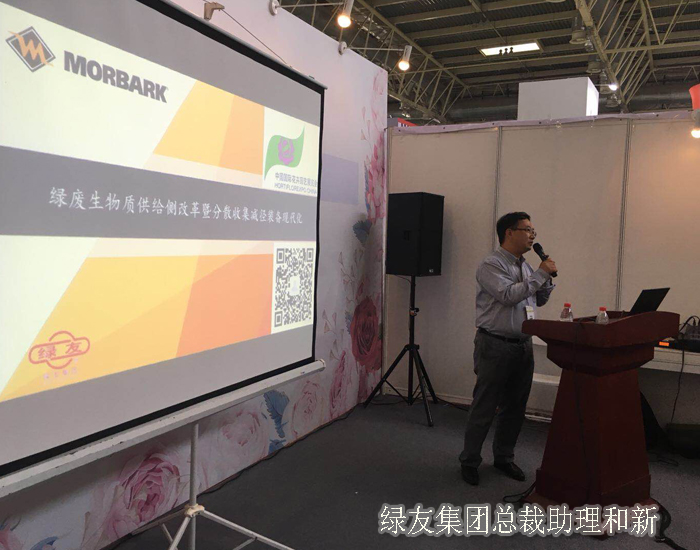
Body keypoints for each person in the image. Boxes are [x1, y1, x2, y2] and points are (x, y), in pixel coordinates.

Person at [460, 212, 557, 486]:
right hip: (495, 345)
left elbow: (537, 299)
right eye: (527, 230)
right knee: (485, 406)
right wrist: (540, 274)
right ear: (509, 232)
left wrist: (546, 280)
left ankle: (503, 457)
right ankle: (469, 460)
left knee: (515, 408)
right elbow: (507, 295)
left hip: (523, 345)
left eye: (533, 231)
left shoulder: (526, 266)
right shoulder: (491, 264)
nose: (532, 235)